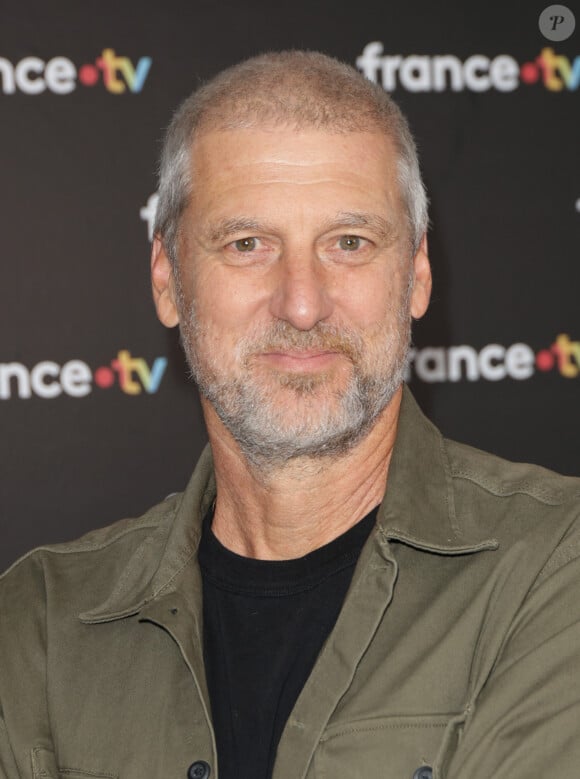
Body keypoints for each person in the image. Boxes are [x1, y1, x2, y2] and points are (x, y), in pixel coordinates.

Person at [1, 50, 580, 779]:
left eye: (349, 243)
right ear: (168, 280)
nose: (302, 303)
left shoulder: (558, 566)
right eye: (248, 245)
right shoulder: (40, 622)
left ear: (418, 275)